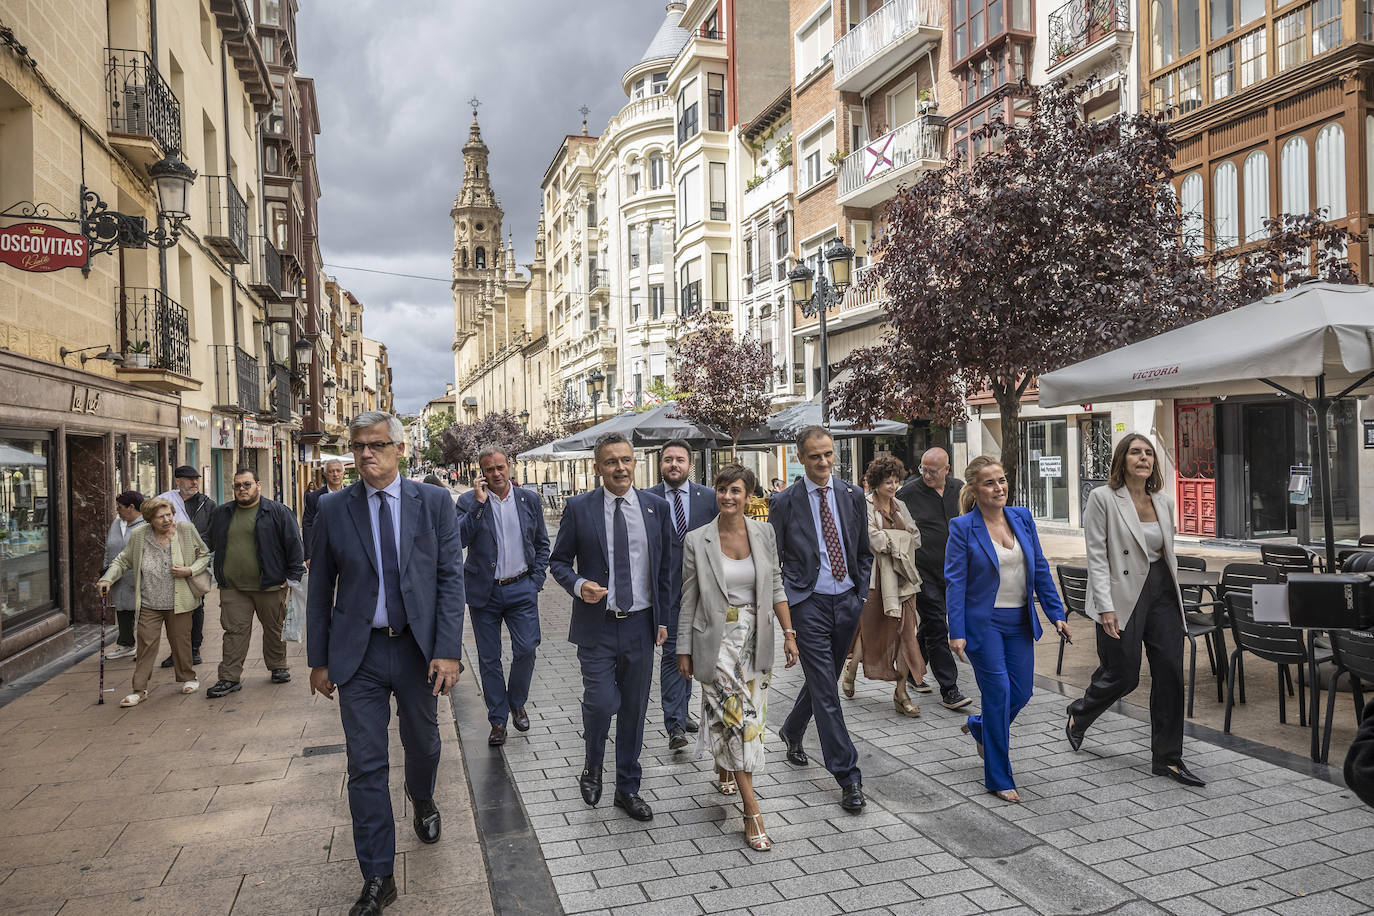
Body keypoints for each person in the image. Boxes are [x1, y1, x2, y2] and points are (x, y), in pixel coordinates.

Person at [306, 410, 465, 916]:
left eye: (376, 445)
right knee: (365, 765)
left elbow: (449, 579)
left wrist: (448, 650)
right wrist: (319, 659)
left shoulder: (435, 502)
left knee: (423, 742)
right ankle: (378, 876)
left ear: (401, 449)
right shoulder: (334, 509)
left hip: (419, 649)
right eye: (357, 447)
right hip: (362, 654)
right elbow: (319, 591)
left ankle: (422, 797)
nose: (365, 454)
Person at [549, 432, 674, 823]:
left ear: (634, 463)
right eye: (610, 462)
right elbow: (557, 562)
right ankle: (592, 764)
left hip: (640, 625)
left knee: (635, 711)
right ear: (598, 467)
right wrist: (577, 584)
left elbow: (665, 570)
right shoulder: (580, 508)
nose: (620, 467)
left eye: (625, 460)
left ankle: (627, 788)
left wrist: (665, 620)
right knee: (602, 702)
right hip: (597, 627)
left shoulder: (656, 508)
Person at [1066, 434, 1204, 787]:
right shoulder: (1102, 498)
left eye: (1148, 453)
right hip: (1121, 592)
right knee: (1124, 675)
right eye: (1135, 452)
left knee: (1171, 672)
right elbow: (1096, 556)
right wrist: (1106, 607)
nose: (1143, 458)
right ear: (1122, 459)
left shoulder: (1163, 500)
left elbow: (1165, 554)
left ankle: (1168, 759)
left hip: (1162, 592)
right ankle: (1079, 714)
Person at [677, 463, 797, 850]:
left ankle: (724, 763)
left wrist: (789, 634)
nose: (728, 496)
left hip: (756, 637)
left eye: (736, 491)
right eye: (722, 489)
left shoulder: (763, 532)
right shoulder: (697, 539)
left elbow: (775, 582)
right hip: (715, 640)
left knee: (749, 718)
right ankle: (752, 810)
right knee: (740, 720)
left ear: (749, 496)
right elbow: (689, 597)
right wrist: (683, 648)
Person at [946, 456, 1070, 803]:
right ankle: (999, 777)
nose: (998, 487)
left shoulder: (1022, 518)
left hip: (1019, 621)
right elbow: (955, 583)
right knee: (998, 693)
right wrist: (955, 630)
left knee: (1022, 693)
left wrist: (1056, 613)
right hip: (982, 624)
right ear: (974, 488)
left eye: (1001, 480)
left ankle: (980, 728)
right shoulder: (962, 527)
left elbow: (1041, 568)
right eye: (989, 483)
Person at [769, 426, 873, 812]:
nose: (824, 462)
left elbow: (863, 551)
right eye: (815, 456)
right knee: (827, 691)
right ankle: (848, 776)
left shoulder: (852, 495)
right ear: (800, 458)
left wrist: (859, 595)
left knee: (824, 680)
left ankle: (792, 730)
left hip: (846, 600)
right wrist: (786, 615)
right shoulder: (785, 502)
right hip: (807, 602)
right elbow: (773, 559)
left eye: (828, 453)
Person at [457, 446, 550, 746]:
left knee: (526, 649)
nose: (496, 473)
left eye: (500, 467)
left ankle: (516, 701)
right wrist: (479, 505)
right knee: (489, 659)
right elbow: (459, 539)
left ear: (509, 466)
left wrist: (535, 580)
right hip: (484, 592)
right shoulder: (468, 501)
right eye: (489, 469)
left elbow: (542, 543)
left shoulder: (529, 499)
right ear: (480, 473)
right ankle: (498, 720)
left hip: (521, 587)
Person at [98, 496, 211, 706]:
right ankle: (139, 689)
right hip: (150, 601)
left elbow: (204, 555)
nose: (167, 520)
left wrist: (190, 570)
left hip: (178, 600)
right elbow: (123, 560)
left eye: (169, 514)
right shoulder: (140, 535)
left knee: (181, 642)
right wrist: (107, 578)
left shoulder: (185, 530)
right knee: (146, 645)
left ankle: (188, 677)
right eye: (160, 517)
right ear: (150, 520)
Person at [205, 468, 305, 699]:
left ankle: (278, 666)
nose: (241, 489)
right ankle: (229, 677)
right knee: (234, 631)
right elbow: (209, 541)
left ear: (258, 485)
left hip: (270, 584)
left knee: (273, 629)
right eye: (237, 485)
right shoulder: (223, 513)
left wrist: (292, 576)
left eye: (247, 485)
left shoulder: (277, 512)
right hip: (232, 586)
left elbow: (294, 544)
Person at [841, 457, 927, 717]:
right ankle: (852, 669)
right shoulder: (864, 504)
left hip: (902, 580)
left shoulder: (900, 505)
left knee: (906, 633)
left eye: (896, 481)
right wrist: (898, 542)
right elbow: (873, 540)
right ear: (876, 483)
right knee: (872, 632)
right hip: (875, 581)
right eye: (888, 481)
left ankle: (901, 693)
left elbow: (916, 536)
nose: (893, 486)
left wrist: (895, 542)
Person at [648, 438, 718, 749]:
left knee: (694, 652)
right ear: (660, 464)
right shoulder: (647, 499)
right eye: (667, 459)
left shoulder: (709, 498)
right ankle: (674, 723)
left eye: (679, 460)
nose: (673, 464)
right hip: (665, 592)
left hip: (702, 590)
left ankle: (683, 710)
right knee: (673, 652)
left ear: (690, 465)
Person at [897, 447, 971, 710]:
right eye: (923, 469)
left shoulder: (959, 489)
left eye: (932, 470)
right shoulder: (907, 493)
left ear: (946, 470)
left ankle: (914, 670)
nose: (927, 475)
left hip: (955, 571)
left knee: (931, 623)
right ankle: (950, 689)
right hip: (923, 571)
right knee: (938, 625)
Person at [157, 466, 215, 666]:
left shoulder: (207, 505)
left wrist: (199, 548)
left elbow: (212, 531)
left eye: (196, 479)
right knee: (175, 609)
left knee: (197, 606)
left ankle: (194, 649)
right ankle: (177, 652)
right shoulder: (165, 502)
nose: (194, 483)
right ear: (177, 481)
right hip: (170, 562)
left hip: (196, 562)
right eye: (189, 479)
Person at [101, 491, 146, 660]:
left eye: (120, 507)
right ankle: (126, 644)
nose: (117, 510)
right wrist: (106, 570)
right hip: (117, 576)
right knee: (122, 609)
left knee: (142, 614)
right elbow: (109, 547)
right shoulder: (117, 523)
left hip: (137, 577)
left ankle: (144, 649)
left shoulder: (145, 525)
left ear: (131, 507)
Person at [302, 458, 347, 566]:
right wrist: (308, 555)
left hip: (348, 551)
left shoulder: (353, 496)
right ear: (325, 474)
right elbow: (308, 525)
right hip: (323, 552)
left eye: (338, 471)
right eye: (331, 471)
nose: (335, 474)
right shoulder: (313, 497)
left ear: (343, 473)